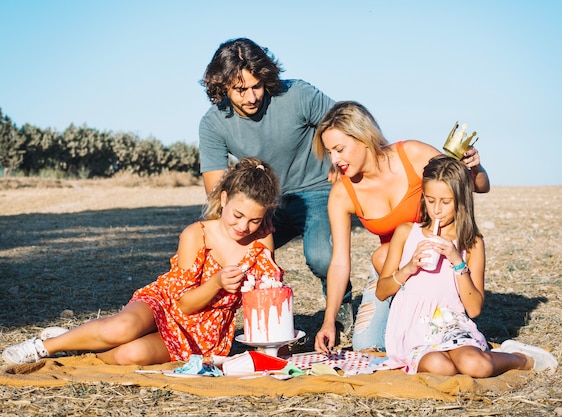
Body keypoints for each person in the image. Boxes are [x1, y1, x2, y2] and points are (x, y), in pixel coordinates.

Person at [2, 158, 283, 366]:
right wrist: (217, 282)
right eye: (237, 215)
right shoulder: (196, 234)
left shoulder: (261, 242)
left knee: (129, 354)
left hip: (203, 335)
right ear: (223, 199)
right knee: (121, 329)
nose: (244, 226)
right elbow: (183, 304)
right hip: (168, 304)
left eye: (254, 220)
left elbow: (268, 299)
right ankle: (45, 346)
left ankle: (80, 345)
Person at [198, 38, 354, 333]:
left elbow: (344, 126)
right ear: (222, 87)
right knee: (221, 250)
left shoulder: (297, 94)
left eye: (256, 86)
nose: (251, 97)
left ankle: (340, 308)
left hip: (318, 190)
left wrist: (339, 164)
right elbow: (217, 191)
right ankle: (221, 324)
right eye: (240, 90)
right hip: (265, 203)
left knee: (321, 257)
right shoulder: (212, 123)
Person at [313, 101, 491, 352]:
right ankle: (407, 314)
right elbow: (340, 262)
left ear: (363, 137)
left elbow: (475, 185)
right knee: (367, 345)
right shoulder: (342, 193)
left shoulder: (412, 155)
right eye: (330, 152)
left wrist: (474, 167)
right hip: (396, 269)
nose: (334, 159)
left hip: (441, 262)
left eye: (339, 149)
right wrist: (328, 321)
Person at [376, 155, 557, 375]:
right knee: (440, 367)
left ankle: (520, 358)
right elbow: (381, 292)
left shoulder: (472, 244)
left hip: (452, 324)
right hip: (412, 328)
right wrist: (408, 268)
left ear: (461, 200)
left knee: (475, 366)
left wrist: (457, 261)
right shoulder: (406, 233)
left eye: (446, 201)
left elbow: (474, 308)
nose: (437, 210)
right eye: (430, 200)